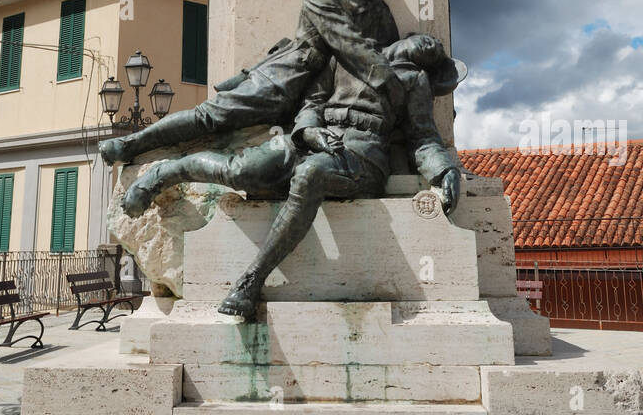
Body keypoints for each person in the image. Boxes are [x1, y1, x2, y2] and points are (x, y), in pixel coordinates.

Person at [117, 31, 463, 321]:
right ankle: (165, 172)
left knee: (310, 174)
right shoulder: (343, 57)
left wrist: (443, 168)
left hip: (362, 156)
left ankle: (252, 280)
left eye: (434, 53)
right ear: (406, 38)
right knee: (241, 170)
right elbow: (311, 104)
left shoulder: (412, 80)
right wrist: (309, 133)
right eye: (428, 40)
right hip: (313, 140)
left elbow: (423, 136)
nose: (430, 45)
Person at [99, 0, 404, 169]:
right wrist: (391, 84)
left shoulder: (375, 7)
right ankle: (130, 144)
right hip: (284, 77)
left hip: (321, 91)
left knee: (230, 138)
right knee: (211, 116)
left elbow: (388, 49)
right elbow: (348, 42)